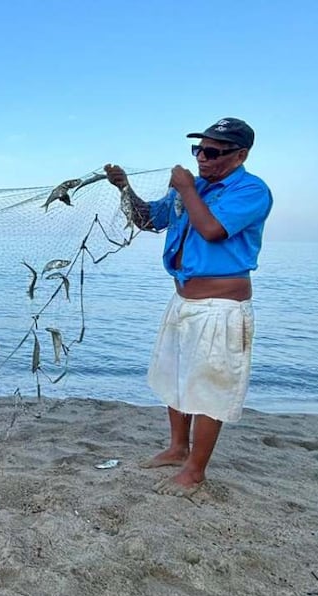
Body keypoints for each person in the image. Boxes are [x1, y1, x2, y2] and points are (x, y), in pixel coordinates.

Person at [104, 117, 273, 497]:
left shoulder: (252, 190)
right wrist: (125, 188)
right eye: (198, 150)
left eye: (212, 152)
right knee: (174, 377)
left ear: (240, 155)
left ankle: (196, 470)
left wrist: (185, 188)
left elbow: (212, 230)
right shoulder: (191, 188)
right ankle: (178, 448)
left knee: (209, 387)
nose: (202, 158)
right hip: (183, 299)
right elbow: (148, 220)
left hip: (221, 307)